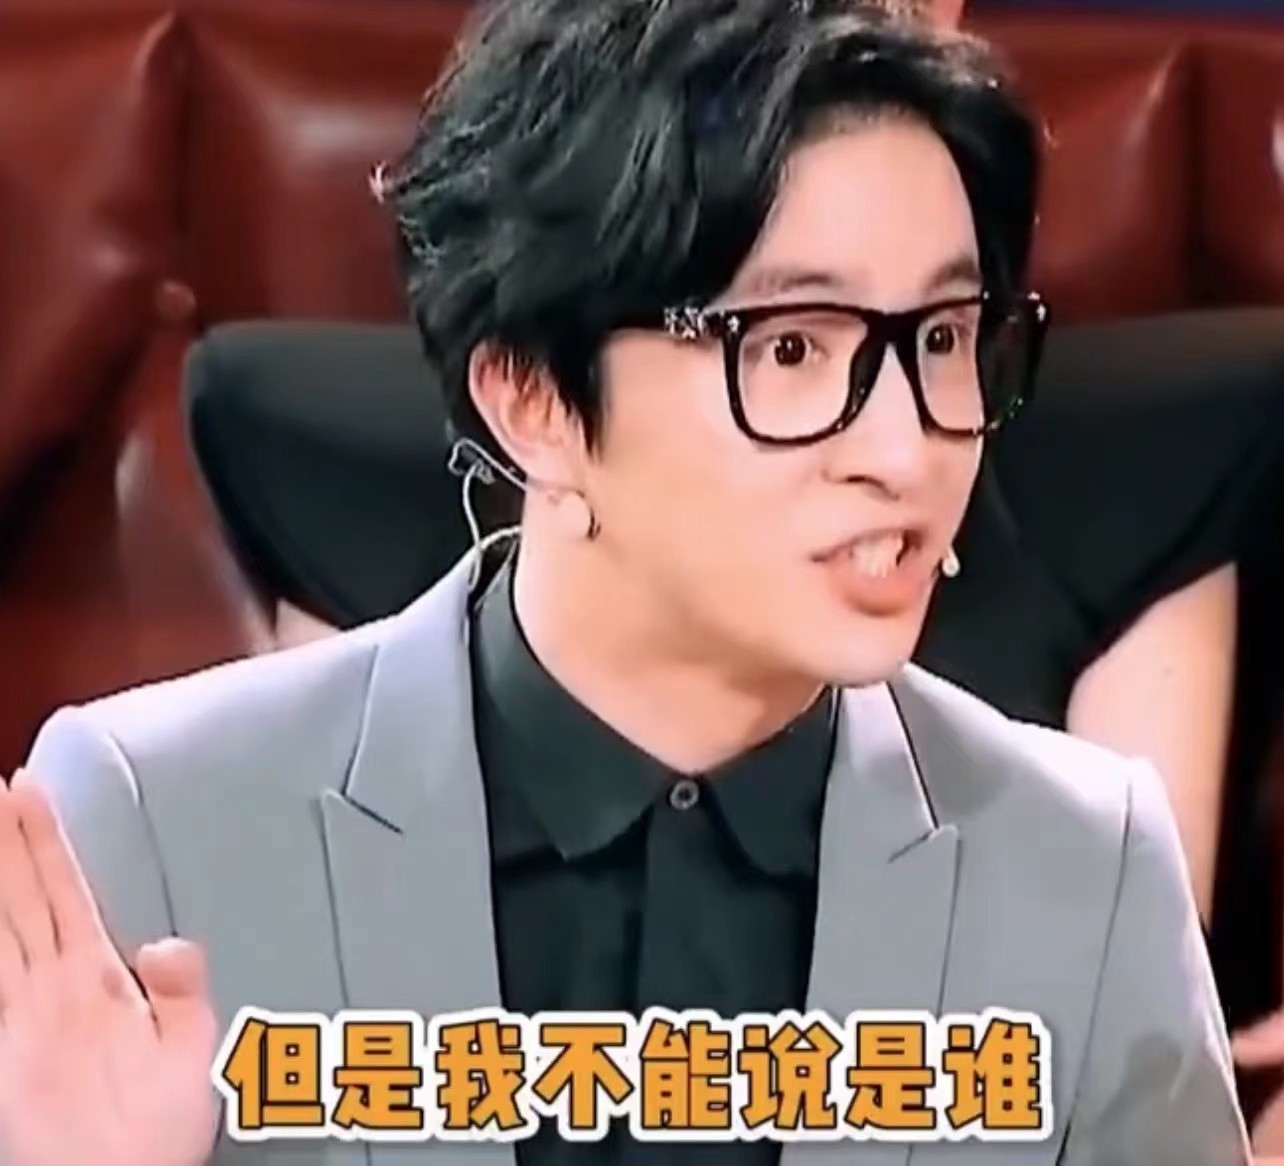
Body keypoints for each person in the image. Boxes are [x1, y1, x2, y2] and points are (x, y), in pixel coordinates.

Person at [0, 0, 1251, 1163]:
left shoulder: (1088, 870)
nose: (905, 447)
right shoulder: (152, 822)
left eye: (939, 338)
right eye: (792, 348)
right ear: (532, 399)